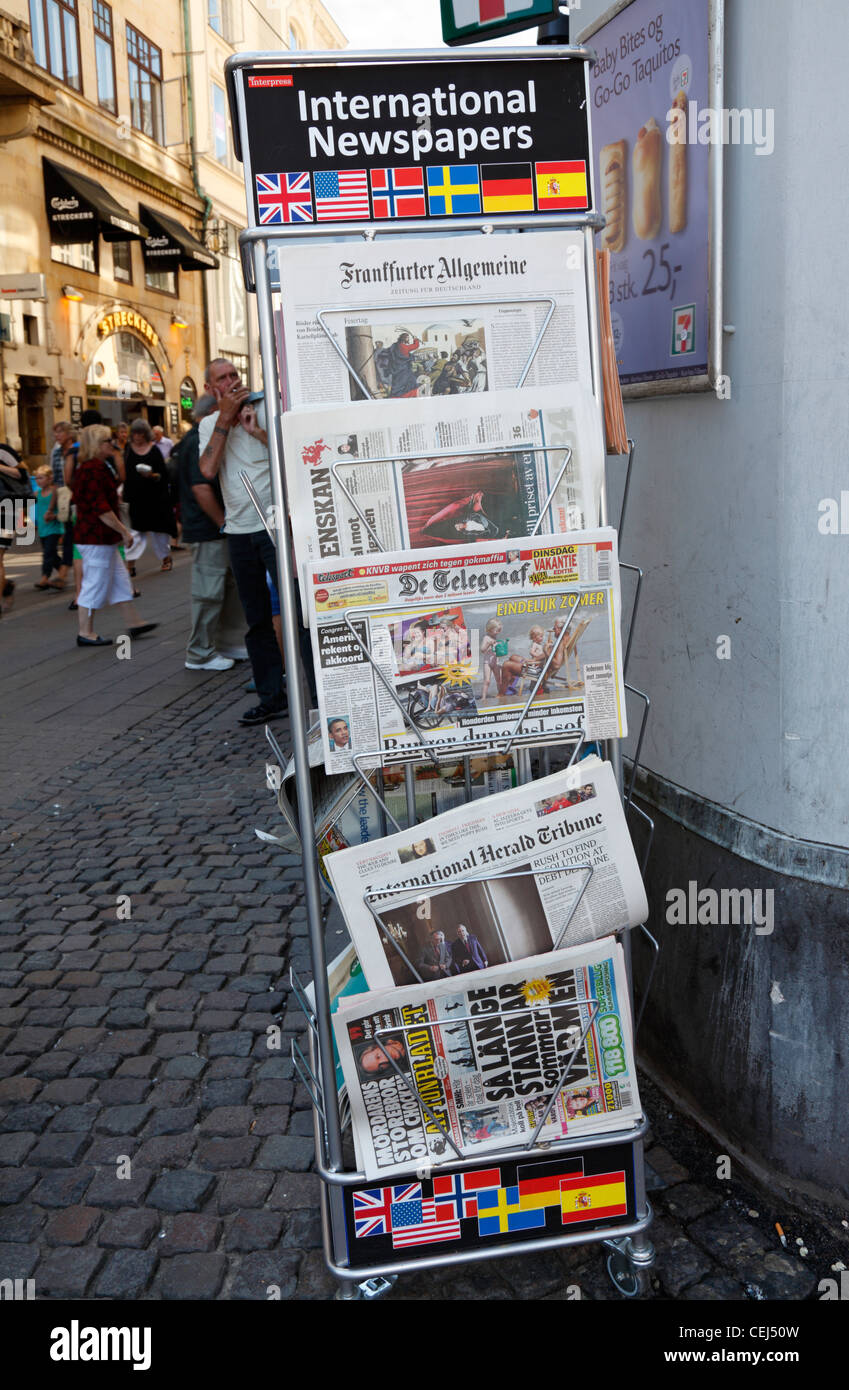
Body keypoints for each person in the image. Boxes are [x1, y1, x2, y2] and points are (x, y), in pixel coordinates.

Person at [197, 358, 291, 726]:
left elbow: (288, 458)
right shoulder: (209, 424)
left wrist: (255, 431)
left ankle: (314, 694)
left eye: (235, 375)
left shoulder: (265, 409)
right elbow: (206, 470)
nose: (233, 381)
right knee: (256, 619)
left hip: (273, 524)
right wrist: (225, 419)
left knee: (295, 611)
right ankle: (272, 695)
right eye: (223, 378)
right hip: (238, 530)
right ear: (211, 389)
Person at [177, 392, 247, 672]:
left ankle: (222, 645)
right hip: (207, 529)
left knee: (224, 588)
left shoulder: (195, 438)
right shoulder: (197, 439)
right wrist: (223, 523)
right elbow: (201, 487)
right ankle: (199, 653)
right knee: (209, 591)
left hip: (211, 528)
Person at [70, 424, 158, 648]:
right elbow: (100, 508)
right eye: (107, 440)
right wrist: (124, 530)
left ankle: (134, 621)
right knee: (95, 584)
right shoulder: (92, 469)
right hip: (95, 536)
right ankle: (85, 632)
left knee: (119, 579)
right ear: (97, 445)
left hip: (100, 537)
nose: (112, 443)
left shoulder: (96, 466)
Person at [123, 419, 177, 572]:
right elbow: (124, 471)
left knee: (159, 531)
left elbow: (163, 474)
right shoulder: (128, 449)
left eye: (140, 433)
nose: (137, 437)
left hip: (155, 497)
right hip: (135, 497)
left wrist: (152, 475)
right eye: (134, 433)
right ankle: (130, 565)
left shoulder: (154, 450)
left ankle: (166, 558)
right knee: (134, 531)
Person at [32, 465, 64, 590]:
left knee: (47, 554)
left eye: (41, 478)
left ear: (50, 479)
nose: (38, 480)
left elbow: (63, 511)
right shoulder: (37, 493)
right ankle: (62, 572)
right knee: (53, 555)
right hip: (42, 529)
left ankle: (45, 578)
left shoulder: (55, 493)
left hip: (54, 529)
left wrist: (54, 516)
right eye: (36, 478)